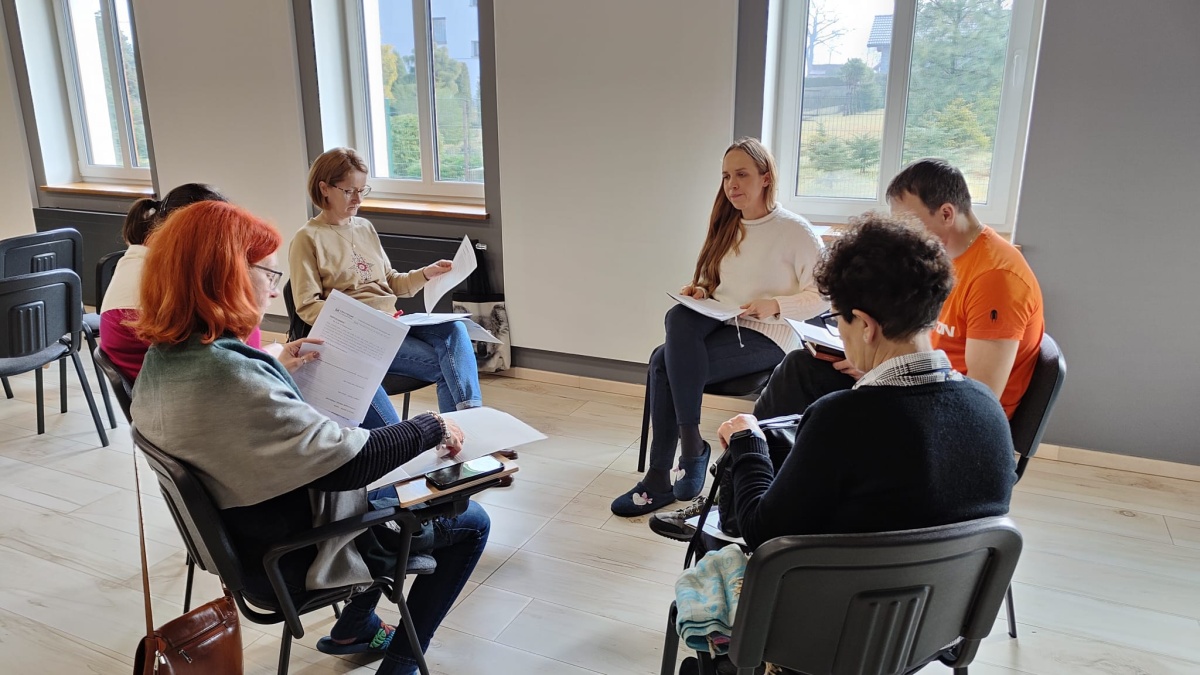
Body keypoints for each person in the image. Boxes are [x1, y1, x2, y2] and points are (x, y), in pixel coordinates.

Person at [130, 201, 488, 675]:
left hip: (244, 542)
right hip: (294, 554)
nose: (273, 290)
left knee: (397, 484)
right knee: (470, 520)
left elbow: (233, 411)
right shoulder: (233, 376)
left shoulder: (163, 360)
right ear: (225, 276)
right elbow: (351, 466)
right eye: (268, 274)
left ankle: (354, 628)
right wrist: (432, 425)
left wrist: (273, 365)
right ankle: (401, 665)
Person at [674, 216, 1017, 675]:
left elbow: (760, 531)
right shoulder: (989, 412)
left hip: (827, 642)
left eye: (838, 320)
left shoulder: (842, 420)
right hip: (930, 633)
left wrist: (747, 443)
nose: (838, 330)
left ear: (867, 326)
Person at [611, 138, 827, 518]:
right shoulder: (727, 226)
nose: (732, 184)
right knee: (678, 317)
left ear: (765, 177)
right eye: (726, 176)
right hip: (723, 323)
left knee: (662, 362)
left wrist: (777, 305)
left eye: (741, 174)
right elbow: (718, 284)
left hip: (770, 335)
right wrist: (701, 290)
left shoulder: (796, 232)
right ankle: (690, 447)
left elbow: (824, 296)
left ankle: (662, 475)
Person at [753, 158, 1044, 421]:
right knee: (801, 366)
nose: (902, 232)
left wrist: (883, 372)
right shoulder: (939, 259)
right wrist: (876, 362)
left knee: (823, 408)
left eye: (908, 222)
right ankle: (758, 447)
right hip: (918, 381)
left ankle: (763, 452)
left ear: (946, 213)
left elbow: (981, 396)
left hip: (947, 410)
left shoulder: (997, 278)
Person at [100, 183, 402, 429]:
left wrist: (272, 363)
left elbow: (234, 366)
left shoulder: (158, 287)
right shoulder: (180, 318)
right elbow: (233, 380)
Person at [290, 147, 483, 414]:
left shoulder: (364, 227)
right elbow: (307, 306)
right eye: (349, 191)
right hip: (359, 336)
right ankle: (469, 426)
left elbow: (390, 282)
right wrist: (363, 318)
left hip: (392, 324)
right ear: (324, 188)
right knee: (449, 366)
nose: (358, 199)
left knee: (455, 329)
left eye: (362, 190)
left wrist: (426, 274)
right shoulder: (308, 238)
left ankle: (468, 423)